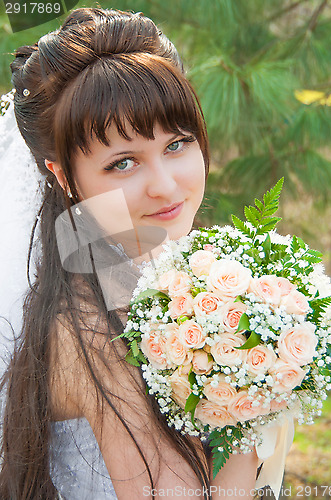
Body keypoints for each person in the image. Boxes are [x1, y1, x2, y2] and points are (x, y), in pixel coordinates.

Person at [0, 7, 260, 499]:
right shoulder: (90, 328)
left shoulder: (175, 276)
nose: (166, 186)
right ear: (63, 176)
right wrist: (254, 396)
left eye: (178, 144)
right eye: (123, 162)